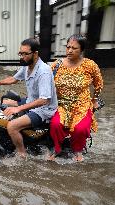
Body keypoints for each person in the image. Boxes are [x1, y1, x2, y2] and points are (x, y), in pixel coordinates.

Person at [0, 38, 58, 159]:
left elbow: (44, 100)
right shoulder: (27, 66)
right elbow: (14, 79)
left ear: (35, 54)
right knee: (4, 102)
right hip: (32, 100)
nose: (22, 56)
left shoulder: (43, 71)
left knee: (12, 126)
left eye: (25, 54)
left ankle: (21, 153)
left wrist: (18, 108)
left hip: (44, 109)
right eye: (21, 53)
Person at [48, 34, 104, 162]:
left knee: (80, 128)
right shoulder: (57, 65)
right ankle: (57, 148)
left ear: (81, 50)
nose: (70, 50)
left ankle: (78, 150)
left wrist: (94, 100)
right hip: (62, 104)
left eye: (74, 48)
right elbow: (46, 83)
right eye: (68, 47)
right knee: (56, 125)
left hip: (82, 105)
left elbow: (99, 84)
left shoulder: (90, 65)